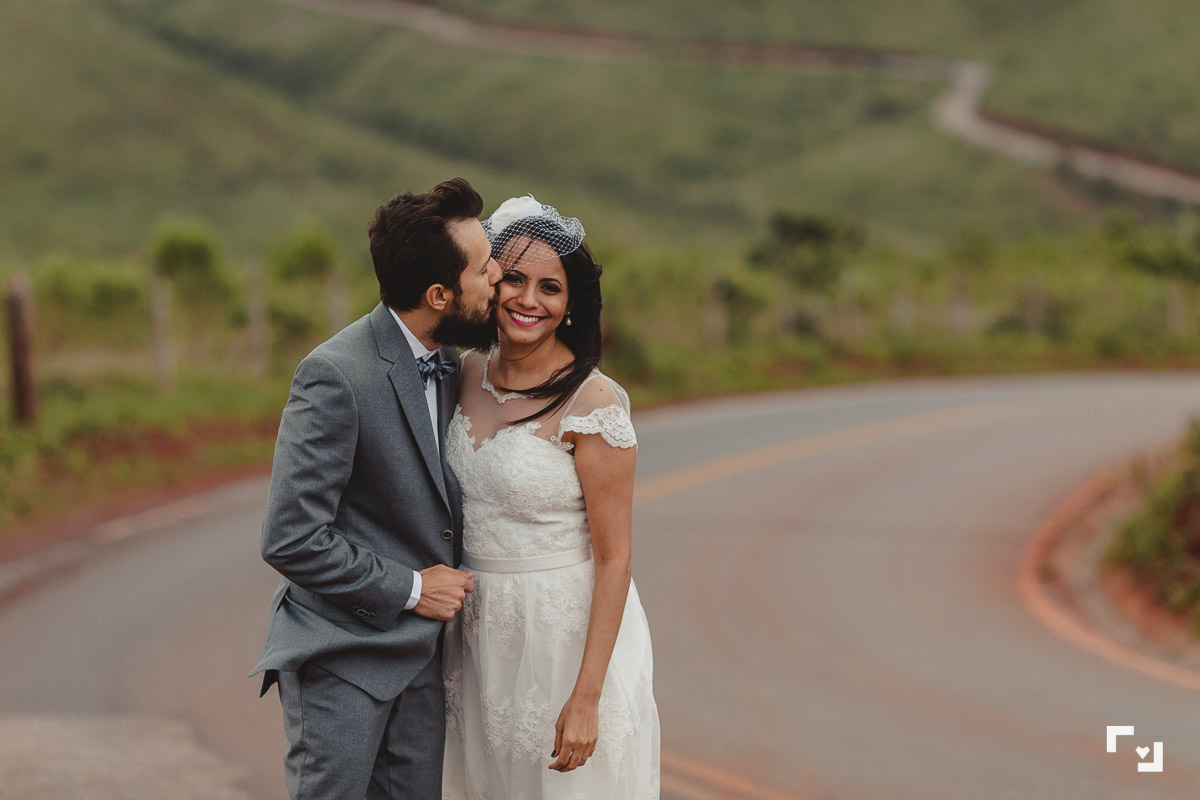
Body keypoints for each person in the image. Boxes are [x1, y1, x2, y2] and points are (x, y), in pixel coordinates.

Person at [250, 178, 502, 800]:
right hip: (344, 657)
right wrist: (414, 586)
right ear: (440, 293)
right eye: (485, 267)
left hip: (422, 665)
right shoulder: (335, 374)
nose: (498, 276)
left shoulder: (452, 365)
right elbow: (291, 537)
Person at [442, 196, 660, 798]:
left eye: (549, 287)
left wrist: (587, 695)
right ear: (490, 283)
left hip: (563, 641)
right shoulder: (460, 375)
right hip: (474, 637)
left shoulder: (593, 404)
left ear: (570, 305)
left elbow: (615, 559)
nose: (527, 300)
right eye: (512, 278)